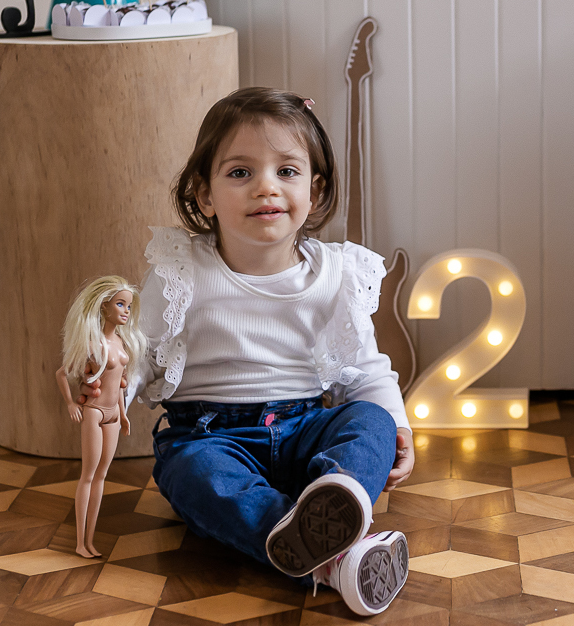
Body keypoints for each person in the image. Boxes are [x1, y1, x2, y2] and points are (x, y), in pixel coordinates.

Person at [123, 87, 411, 616]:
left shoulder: (336, 275)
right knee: (192, 473)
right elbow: (139, 353)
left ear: (315, 191)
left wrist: (398, 426)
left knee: (369, 420)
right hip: (211, 437)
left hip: (307, 436)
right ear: (204, 194)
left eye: (287, 171)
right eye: (240, 173)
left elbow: (365, 369)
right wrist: (110, 385)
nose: (265, 188)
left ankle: (338, 490)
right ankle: (337, 558)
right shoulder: (182, 271)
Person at [55, 276, 147, 559]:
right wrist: (71, 402)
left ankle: (90, 541)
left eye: (129, 306)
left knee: (103, 475)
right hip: (93, 413)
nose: (126, 311)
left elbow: (119, 383)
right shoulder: (93, 344)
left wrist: (123, 413)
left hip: (114, 416)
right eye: (121, 304)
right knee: (88, 475)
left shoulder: (121, 342)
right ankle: (80, 542)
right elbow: (61, 373)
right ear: (104, 305)